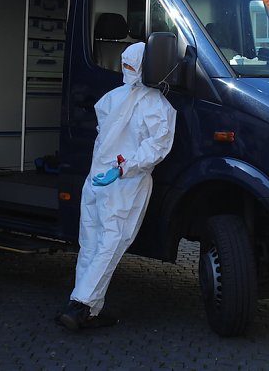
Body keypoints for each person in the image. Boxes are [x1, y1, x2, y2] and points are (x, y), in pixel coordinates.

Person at [57, 42, 177, 331]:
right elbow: (156, 149)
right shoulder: (158, 106)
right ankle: (82, 307)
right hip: (125, 184)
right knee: (110, 244)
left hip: (96, 180)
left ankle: (86, 306)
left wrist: (108, 168)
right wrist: (124, 167)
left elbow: (103, 137)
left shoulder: (111, 97)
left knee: (91, 243)